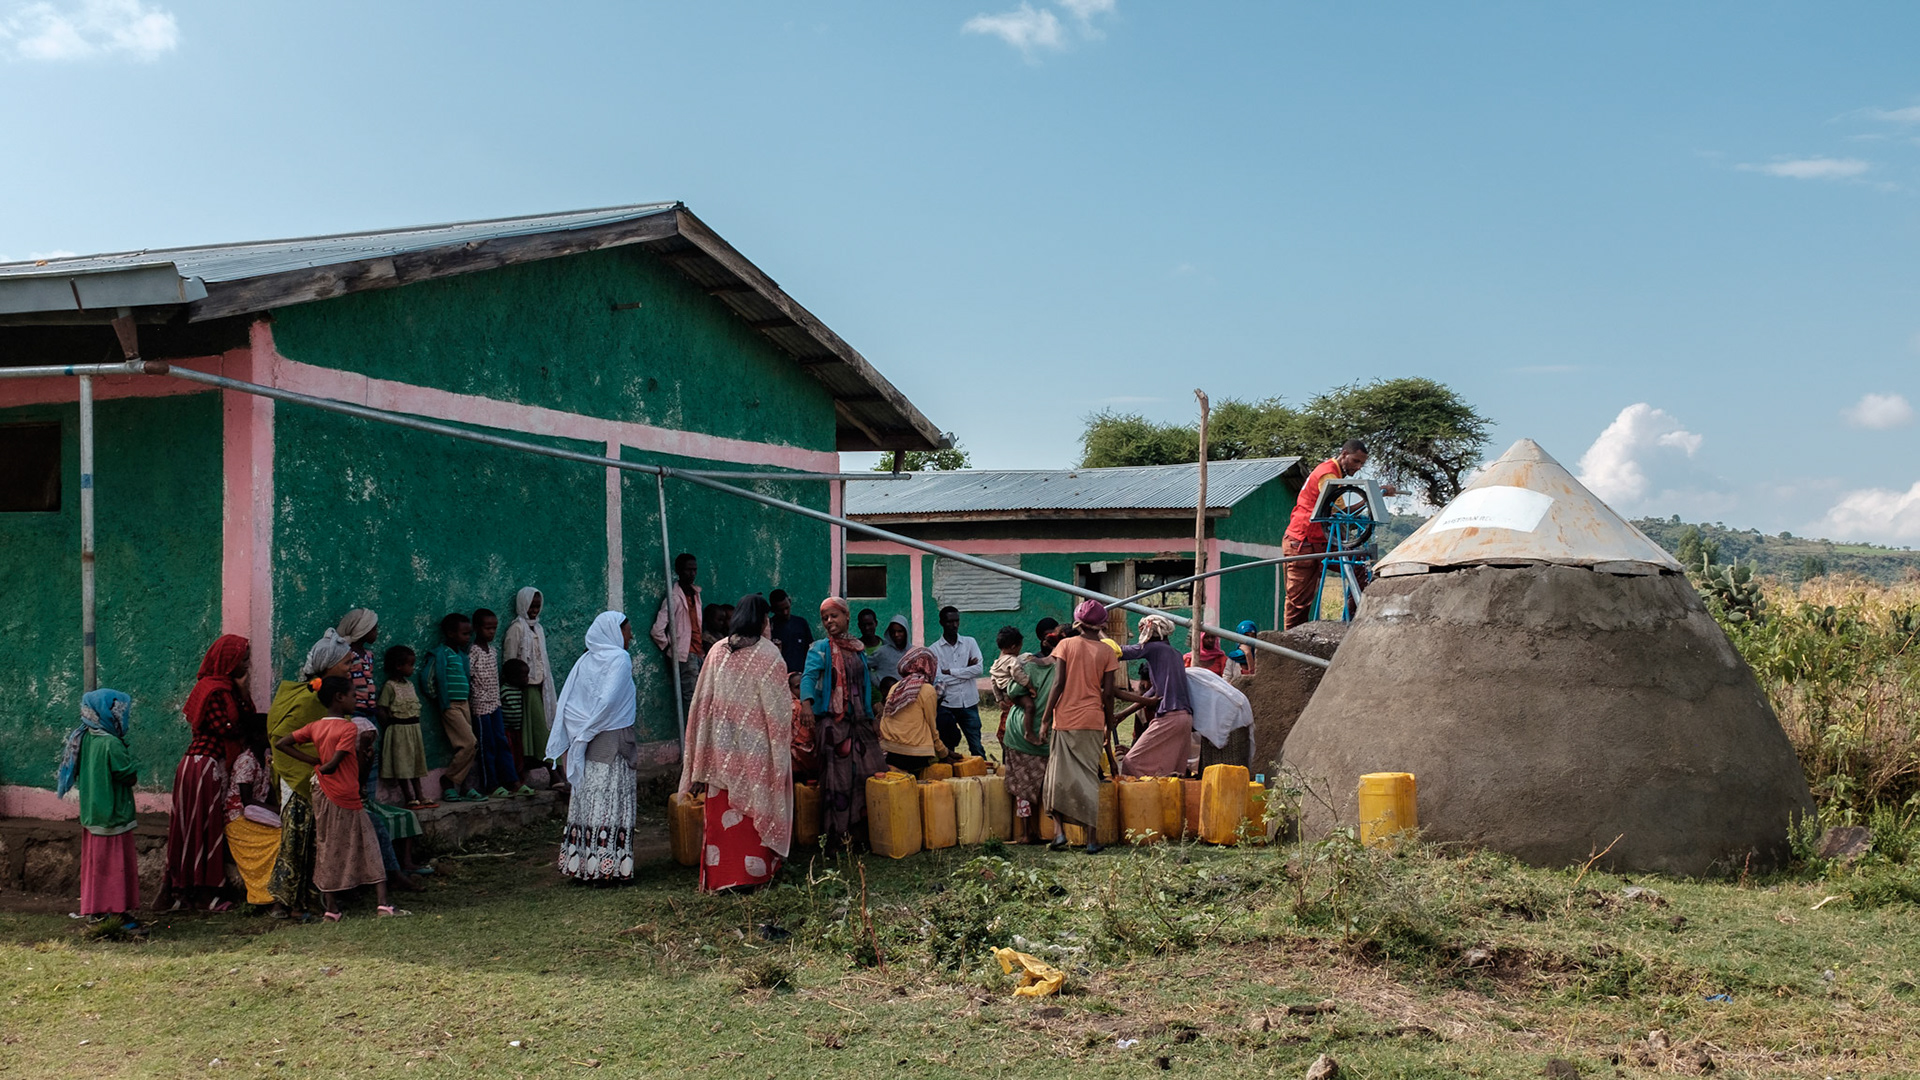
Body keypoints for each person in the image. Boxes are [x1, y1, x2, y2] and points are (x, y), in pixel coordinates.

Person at [679, 594, 794, 892]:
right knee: (755, 808)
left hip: (720, 751)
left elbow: (701, 701)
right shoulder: (769, 655)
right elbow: (779, 711)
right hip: (757, 752)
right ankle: (753, 876)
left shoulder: (717, 651)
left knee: (723, 814)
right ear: (763, 620)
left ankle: (722, 877)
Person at [276, 679, 408, 920]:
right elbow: (337, 761)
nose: (355, 701)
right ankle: (383, 904)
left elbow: (282, 742)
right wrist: (326, 765)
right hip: (346, 794)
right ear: (339, 697)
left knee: (328, 845)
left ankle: (331, 909)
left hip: (321, 792)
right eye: (352, 696)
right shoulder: (348, 728)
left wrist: (313, 762)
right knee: (369, 844)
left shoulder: (315, 726)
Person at [1040, 600, 1154, 854]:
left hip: (1065, 720)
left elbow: (1058, 684)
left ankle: (1059, 833)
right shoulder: (1106, 652)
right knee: (1089, 777)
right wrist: (1109, 721)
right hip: (1092, 721)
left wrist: (1046, 718)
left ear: (1078, 622)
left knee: (1056, 778)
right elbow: (1109, 692)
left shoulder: (1065, 645)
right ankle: (1091, 839)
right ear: (1102, 624)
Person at [267, 629, 353, 920]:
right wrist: (313, 762)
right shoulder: (307, 700)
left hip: (318, 779)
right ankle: (286, 903)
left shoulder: (322, 699)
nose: (350, 669)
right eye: (346, 664)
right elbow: (280, 738)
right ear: (329, 668)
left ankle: (310, 902)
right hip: (300, 780)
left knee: (316, 842)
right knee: (295, 841)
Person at [164, 633, 253, 912]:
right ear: (230, 662)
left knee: (195, 829)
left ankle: (187, 892)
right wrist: (241, 694)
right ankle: (204, 893)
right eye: (243, 659)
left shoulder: (220, 689)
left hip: (201, 765)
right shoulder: (215, 691)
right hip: (204, 767)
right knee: (205, 828)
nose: (247, 665)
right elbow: (231, 728)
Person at [550, 611, 640, 882]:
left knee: (588, 799)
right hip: (612, 742)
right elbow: (608, 702)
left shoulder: (585, 661)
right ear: (614, 632)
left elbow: (569, 705)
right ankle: (608, 868)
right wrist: (590, 730)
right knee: (612, 800)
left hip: (587, 743)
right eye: (627, 631)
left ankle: (584, 866)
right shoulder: (620, 659)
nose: (631, 636)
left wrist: (582, 734)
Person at [1283, 439, 1400, 628]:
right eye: (1355, 461)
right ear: (1344, 454)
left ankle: (1353, 621)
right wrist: (1374, 496)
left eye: (1362, 464)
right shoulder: (1327, 474)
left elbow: (1340, 511)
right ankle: (1290, 644)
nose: (1358, 467)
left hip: (1323, 539)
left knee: (1359, 566)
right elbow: (1339, 512)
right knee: (1299, 602)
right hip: (1302, 541)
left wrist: (1376, 495)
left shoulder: (1335, 474)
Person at [801, 597, 882, 850]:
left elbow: (866, 684)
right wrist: (806, 704)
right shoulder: (820, 648)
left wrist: (872, 715)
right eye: (825, 618)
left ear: (846, 616)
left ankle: (862, 834)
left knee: (869, 772)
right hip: (834, 724)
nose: (829, 622)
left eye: (834, 616)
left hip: (860, 723)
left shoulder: (858, 649)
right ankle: (837, 837)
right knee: (838, 780)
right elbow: (808, 677)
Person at [58, 688, 140, 930]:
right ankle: (117, 912)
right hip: (113, 815)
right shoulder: (111, 743)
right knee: (115, 867)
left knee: (97, 867)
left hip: (92, 814)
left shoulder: (84, 738)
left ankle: (97, 911)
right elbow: (127, 774)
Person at [1000, 629, 1060, 844]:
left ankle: (1028, 832)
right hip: (1048, 735)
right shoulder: (1065, 669)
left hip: (1020, 734)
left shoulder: (1028, 666)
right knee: (1049, 785)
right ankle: (1050, 832)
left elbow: (1013, 692)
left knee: (1023, 786)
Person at [1119, 614, 1192, 778]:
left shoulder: (1155, 648)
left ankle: (1139, 802)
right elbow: (1153, 693)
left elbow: (1121, 652)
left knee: (1132, 762)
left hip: (1170, 716)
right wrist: (1123, 714)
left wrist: (1097, 637)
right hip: (1184, 718)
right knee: (1172, 775)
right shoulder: (1175, 654)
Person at [222, 709, 280, 909]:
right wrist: (275, 809)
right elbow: (246, 800)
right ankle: (264, 894)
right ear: (257, 735)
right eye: (267, 731)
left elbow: (267, 790)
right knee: (277, 839)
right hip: (238, 819)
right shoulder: (246, 761)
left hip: (255, 815)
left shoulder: (264, 759)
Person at [422, 612, 482, 802]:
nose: (468, 638)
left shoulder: (461, 656)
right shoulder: (440, 654)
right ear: (450, 633)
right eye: (464, 634)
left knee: (471, 746)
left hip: (464, 704)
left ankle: (463, 785)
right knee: (469, 743)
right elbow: (427, 678)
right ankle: (448, 780)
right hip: (450, 706)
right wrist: (439, 698)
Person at [469, 608, 528, 799]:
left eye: (494, 628)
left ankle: (512, 781)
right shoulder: (473, 651)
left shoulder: (492, 651)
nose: (492, 632)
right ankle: (491, 784)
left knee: (502, 742)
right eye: (488, 628)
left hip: (495, 703)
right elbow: (469, 676)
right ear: (477, 628)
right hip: (480, 705)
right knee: (488, 746)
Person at [501, 587, 557, 786]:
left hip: (541, 687)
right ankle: (553, 774)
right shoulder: (516, 629)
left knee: (538, 731)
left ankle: (536, 773)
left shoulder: (538, 628)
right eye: (531, 605)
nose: (534, 610)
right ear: (522, 604)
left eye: (537, 606)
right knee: (536, 732)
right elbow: (509, 660)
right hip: (525, 689)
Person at [651, 552, 705, 723]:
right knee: (692, 699)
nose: (692, 574)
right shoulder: (674, 597)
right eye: (688, 570)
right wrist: (670, 649)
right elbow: (657, 630)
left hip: (698, 652)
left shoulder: (695, 594)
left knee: (700, 698)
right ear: (679, 571)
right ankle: (692, 740)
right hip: (685, 654)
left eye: (695, 570)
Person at [377, 646, 431, 809]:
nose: (412, 669)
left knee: (415, 763)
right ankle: (409, 797)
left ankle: (420, 795)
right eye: (410, 665)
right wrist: (390, 726)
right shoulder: (390, 686)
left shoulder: (409, 685)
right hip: (399, 731)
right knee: (402, 764)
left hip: (413, 730)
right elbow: (381, 708)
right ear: (398, 666)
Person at [877, 646, 946, 773]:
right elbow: (932, 726)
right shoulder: (927, 690)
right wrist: (943, 752)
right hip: (916, 754)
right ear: (930, 666)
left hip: (891, 751)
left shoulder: (895, 688)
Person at [929, 606, 986, 757]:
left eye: (956, 621)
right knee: (948, 747)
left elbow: (979, 670)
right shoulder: (934, 649)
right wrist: (967, 671)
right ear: (942, 622)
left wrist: (952, 671)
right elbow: (939, 679)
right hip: (948, 704)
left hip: (969, 702)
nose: (954, 625)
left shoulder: (970, 643)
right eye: (950, 622)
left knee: (977, 746)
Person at [338, 608, 379, 718]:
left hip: (370, 707)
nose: (377, 633)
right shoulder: (347, 654)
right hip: (355, 708)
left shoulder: (369, 655)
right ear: (363, 630)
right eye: (374, 629)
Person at [768, 589, 815, 674]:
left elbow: (810, 650)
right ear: (773, 609)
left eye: (787, 608)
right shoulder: (769, 628)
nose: (785, 612)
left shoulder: (801, 623)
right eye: (780, 610)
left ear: (790, 602)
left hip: (801, 677)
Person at [868, 614, 911, 707]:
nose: (896, 635)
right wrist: (878, 683)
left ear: (906, 631)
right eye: (893, 632)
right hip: (887, 701)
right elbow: (865, 666)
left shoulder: (913, 652)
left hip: (908, 700)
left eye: (900, 631)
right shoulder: (882, 652)